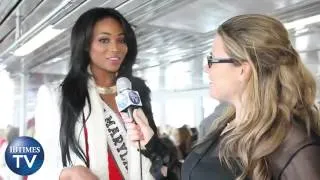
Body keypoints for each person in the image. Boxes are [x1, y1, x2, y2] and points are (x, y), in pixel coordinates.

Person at [123, 14, 320, 180]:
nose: (205, 68)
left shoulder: (296, 145)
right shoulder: (225, 124)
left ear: (243, 69)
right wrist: (151, 143)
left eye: (212, 59)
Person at [29, 7, 157, 180]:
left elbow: (151, 156)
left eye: (121, 40)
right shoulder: (57, 97)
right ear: (85, 45)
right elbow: (38, 166)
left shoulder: (136, 93)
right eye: (104, 40)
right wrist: (66, 174)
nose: (115, 48)